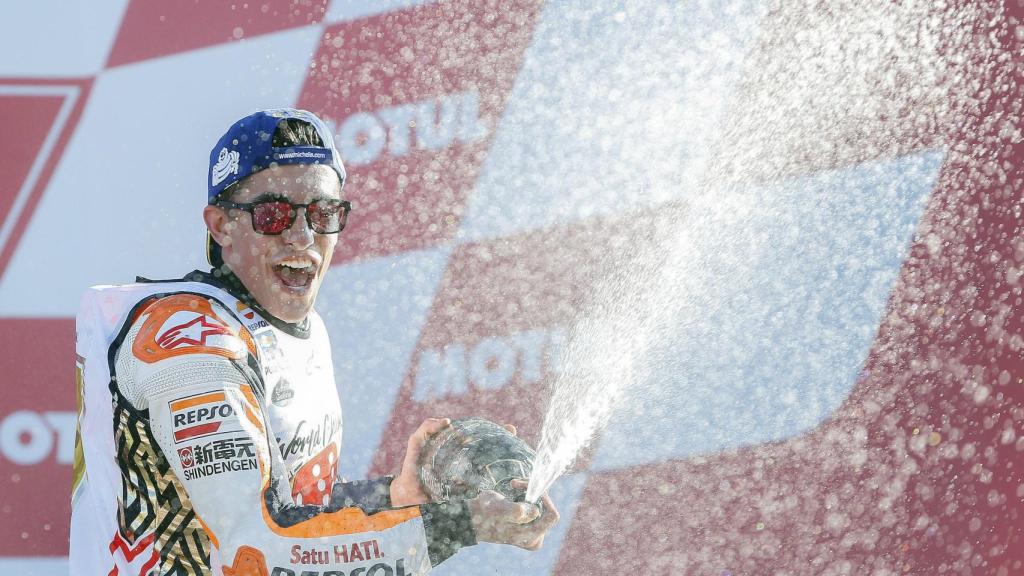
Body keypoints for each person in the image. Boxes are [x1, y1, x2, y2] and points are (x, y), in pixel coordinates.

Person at [70, 108, 558, 576]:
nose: (302, 235)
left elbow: (297, 512)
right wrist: (458, 525)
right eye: (273, 214)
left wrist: (395, 497)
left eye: (323, 213)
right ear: (221, 226)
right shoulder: (187, 342)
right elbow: (256, 551)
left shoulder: (295, 330)